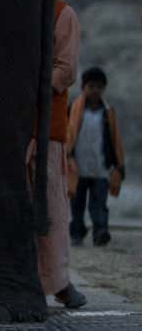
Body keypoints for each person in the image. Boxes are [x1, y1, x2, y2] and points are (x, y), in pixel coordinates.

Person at [33, 0, 86, 309]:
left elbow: (65, 70)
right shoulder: (13, 9)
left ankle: (58, 282)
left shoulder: (62, 13)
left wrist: (28, 85)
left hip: (46, 130)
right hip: (11, 131)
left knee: (52, 209)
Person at [68, 67, 125, 248]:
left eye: (99, 87)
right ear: (83, 87)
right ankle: (77, 232)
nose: (95, 90)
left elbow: (115, 139)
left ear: (104, 89)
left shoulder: (108, 113)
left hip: (101, 167)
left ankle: (100, 232)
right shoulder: (74, 110)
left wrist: (119, 164)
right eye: (91, 86)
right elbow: (67, 137)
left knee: (99, 204)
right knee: (76, 204)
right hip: (78, 167)